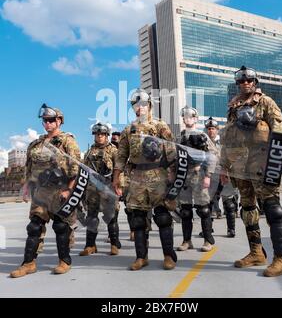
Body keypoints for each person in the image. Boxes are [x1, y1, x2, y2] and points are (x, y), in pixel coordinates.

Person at [220, 66, 282, 277]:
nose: (245, 83)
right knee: (248, 210)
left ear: (255, 82)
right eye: (241, 81)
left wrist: (274, 163)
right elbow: (227, 139)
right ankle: (256, 252)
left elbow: (279, 132)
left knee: (272, 209)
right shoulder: (233, 107)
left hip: (262, 164)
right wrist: (224, 166)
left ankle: (281, 258)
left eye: (249, 80)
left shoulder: (266, 103)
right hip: (240, 168)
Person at [10, 104, 81, 278]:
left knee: (60, 226)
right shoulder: (36, 144)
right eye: (45, 120)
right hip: (40, 192)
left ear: (59, 121)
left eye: (51, 120)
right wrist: (26, 187)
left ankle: (64, 261)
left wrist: (69, 190)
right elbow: (29, 168)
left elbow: (76, 167)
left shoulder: (67, 141)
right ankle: (28, 263)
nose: (47, 124)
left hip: (60, 191)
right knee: (34, 227)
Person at [112, 89, 177, 270]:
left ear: (149, 106)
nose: (139, 108)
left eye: (142, 105)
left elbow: (171, 149)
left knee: (163, 217)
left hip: (159, 176)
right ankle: (142, 257)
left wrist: (173, 172)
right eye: (135, 105)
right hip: (137, 178)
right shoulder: (128, 130)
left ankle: (168, 256)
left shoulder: (160, 126)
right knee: (138, 220)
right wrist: (116, 177)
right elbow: (121, 155)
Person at [177, 106, 217, 252]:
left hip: (199, 175)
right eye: (185, 116)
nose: (188, 119)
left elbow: (212, 156)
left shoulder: (203, 136)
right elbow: (175, 156)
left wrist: (208, 175)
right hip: (184, 176)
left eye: (190, 116)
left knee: (204, 210)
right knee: (185, 211)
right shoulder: (180, 137)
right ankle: (187, 241)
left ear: (195, 118)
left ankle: (208, 240)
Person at [79, 122, 121, 256]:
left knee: (111, 217)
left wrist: (119, 186)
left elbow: (119, 169)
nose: (99, 137)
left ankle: (114, 244)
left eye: (102, 134)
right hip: (92, 190)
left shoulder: (114, 150)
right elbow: (84, 170)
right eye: (97, 134)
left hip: (108, 188)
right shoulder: (90, 151)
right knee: (91, 217)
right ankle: (90, 245)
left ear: (107, 135)